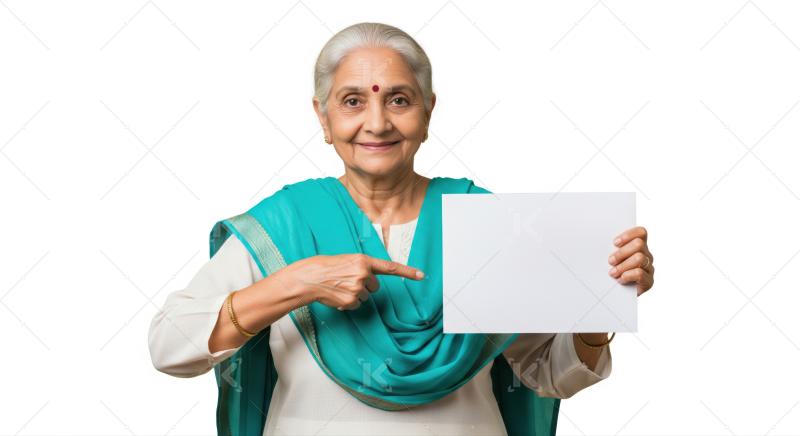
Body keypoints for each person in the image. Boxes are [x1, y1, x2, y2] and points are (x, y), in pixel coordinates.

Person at [148, 22, 655, 436]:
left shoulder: (486, 223)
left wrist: (598, 304)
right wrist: (295, 284)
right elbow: (171, 350)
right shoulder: (283, 226)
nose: (376, 123)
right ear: (321, 117)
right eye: (352, 101)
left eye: (398, 100)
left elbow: (548, 375)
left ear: (428, 111)